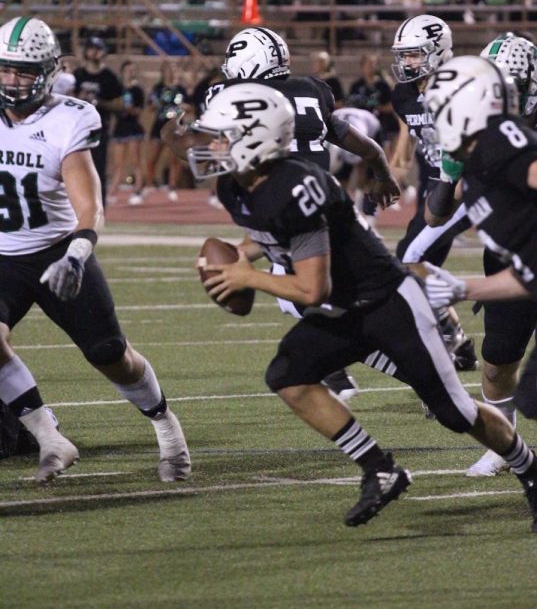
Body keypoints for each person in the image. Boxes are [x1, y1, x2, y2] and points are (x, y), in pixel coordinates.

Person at [184, 82, 537, 533]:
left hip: (388, 303)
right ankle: (379, 467)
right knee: (288, 374)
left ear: (255, 137)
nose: (213, 147)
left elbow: (312, 289)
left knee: (455, 413)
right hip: (346, 309)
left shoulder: (299, 186)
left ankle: (536, 472)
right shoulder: (238, 185)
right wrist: (241, 254)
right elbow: (269, 236)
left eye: (223, 136)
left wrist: (245, 277)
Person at [0, 16, 190, 484]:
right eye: (5, 68)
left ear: (48, 71)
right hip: (3, 257)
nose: (12, 80)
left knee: (110, 354)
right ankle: (50, 437)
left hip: (57, 251)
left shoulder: (70, 116)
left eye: (24, 70)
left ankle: (168, 431)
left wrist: (78, 253)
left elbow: (88, 204)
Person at [163, 25, 400, 401]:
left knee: (311, 301)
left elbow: (195, 148)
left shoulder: (232, 96)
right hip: (328, 205)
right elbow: (363, 144)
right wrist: (383, 173)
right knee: (319, 302)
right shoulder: (313, 89)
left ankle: (414, 362)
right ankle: (351, 368)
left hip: (285, 206)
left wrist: (169, 131)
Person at [427, 33, 537, 476]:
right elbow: (439, 211)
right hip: (527, 253)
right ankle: (504, 443)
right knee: (499, 358)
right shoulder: (483, 149)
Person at [388, 14, 477, 371]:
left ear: (439, 51)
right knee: (415, 264)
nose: (407, 62)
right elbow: (405, 148)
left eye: (414, 54)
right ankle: (456, 341)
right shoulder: (405, 95)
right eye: (404, 55)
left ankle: (441, 357)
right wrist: (385, 181)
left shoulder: (462, 86)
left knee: (409, 258)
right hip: (435, 190)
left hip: (468, 187)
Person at [74, 36, 122, 205]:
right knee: (73, 166)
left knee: (98, 168)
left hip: (98, 128)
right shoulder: (78, 74)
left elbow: (119, 104)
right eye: (91, 48)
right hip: (77, 128)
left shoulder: (109, 77)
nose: (94, 52)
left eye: (98, 49)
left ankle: (99, 205)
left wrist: (99, 102)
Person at [145, 59, 191, 202]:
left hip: (176, 126)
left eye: (173, 69)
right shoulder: (158, 88)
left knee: (175, 159)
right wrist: (156, 104)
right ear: (163, 72)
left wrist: (185, 107)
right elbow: (150, 107)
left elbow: (190, 106)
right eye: (168, 69)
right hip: (160, 125)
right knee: (152, 157)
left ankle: (172, 187)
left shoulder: (181, 89)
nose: (171, 72)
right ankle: (149, 184)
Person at [107, 60, 146, 206]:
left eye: (133, 70)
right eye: (128, 70)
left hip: (133, 127)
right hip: (119, 127)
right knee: (117, 164)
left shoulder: (137, 90)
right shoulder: (117, 88)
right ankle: (112, 191)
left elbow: (139, 110)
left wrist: (129, 108)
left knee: (135, 161)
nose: (130, 72)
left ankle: (138, 190)